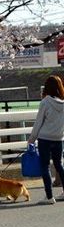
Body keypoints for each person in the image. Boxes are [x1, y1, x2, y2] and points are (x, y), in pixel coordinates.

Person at [28, 75, 64, 204]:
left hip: (45, 139)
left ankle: (49, 197)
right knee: (59, 165)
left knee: (45, 166)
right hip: (59, 138)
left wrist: (31, 139)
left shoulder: (45, 102)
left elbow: (38, 122)